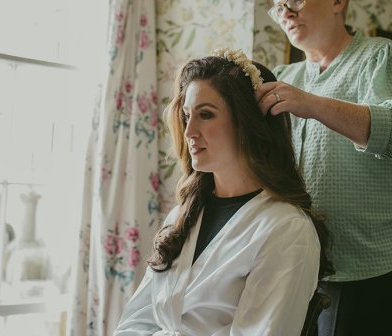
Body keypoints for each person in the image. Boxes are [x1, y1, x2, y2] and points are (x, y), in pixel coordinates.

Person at [256, 0, 392, 336]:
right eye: (278, 5)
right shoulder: (285, 78)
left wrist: (314, 105)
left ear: (338, 0)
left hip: (372, 264)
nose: (285, 12)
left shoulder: (381, 57)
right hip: (300, 264)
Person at [115, 49, 333, 335]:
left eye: (206, 114)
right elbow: (135, 322)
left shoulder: (287, 230)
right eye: (186, 115)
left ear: (247, 124)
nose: (190, 130)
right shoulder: (182, 216)